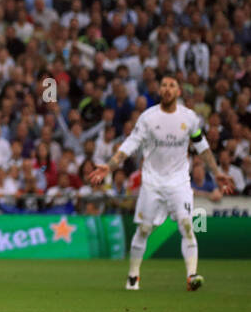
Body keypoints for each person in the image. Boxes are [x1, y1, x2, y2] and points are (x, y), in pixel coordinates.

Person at [88, 75, 234, 291]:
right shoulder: (148, 118)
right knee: (145, 229)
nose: (167, 89)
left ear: (178, 92)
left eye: (172, 86)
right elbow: (130, 144)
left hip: (179, 182)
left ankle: (191, 276)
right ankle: (133, 275)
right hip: (152, 183)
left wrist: (216, 172)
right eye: (164, 85)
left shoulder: (190, 118)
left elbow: (201, 147)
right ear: (160, 91)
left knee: (186, 225)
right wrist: (109, 166)